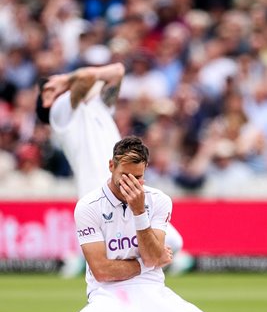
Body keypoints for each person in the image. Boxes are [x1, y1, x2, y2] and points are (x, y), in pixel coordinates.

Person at [65, 136, 230, 312]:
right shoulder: (88, 206)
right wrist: (146, 264)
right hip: (109, 295)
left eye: (138, 177)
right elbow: (102, 271)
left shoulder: (159, 200)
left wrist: (139, 212)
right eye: (124, 176)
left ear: (146, 170)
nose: (131, 184)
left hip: (152, 291)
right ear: (111, 166)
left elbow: (152, 257)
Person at [36, 62, 183, 266]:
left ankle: (99, 266)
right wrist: (65, 82)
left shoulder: (97, 105)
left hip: (123, 184)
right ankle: (104, 269)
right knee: (161, 246)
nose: (60, 84)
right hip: (100, 195)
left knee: (173, 242)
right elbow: (86, 78)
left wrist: (66, 80)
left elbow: (118, 71)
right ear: (46, 100)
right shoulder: (59, 114)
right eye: (50, 88)